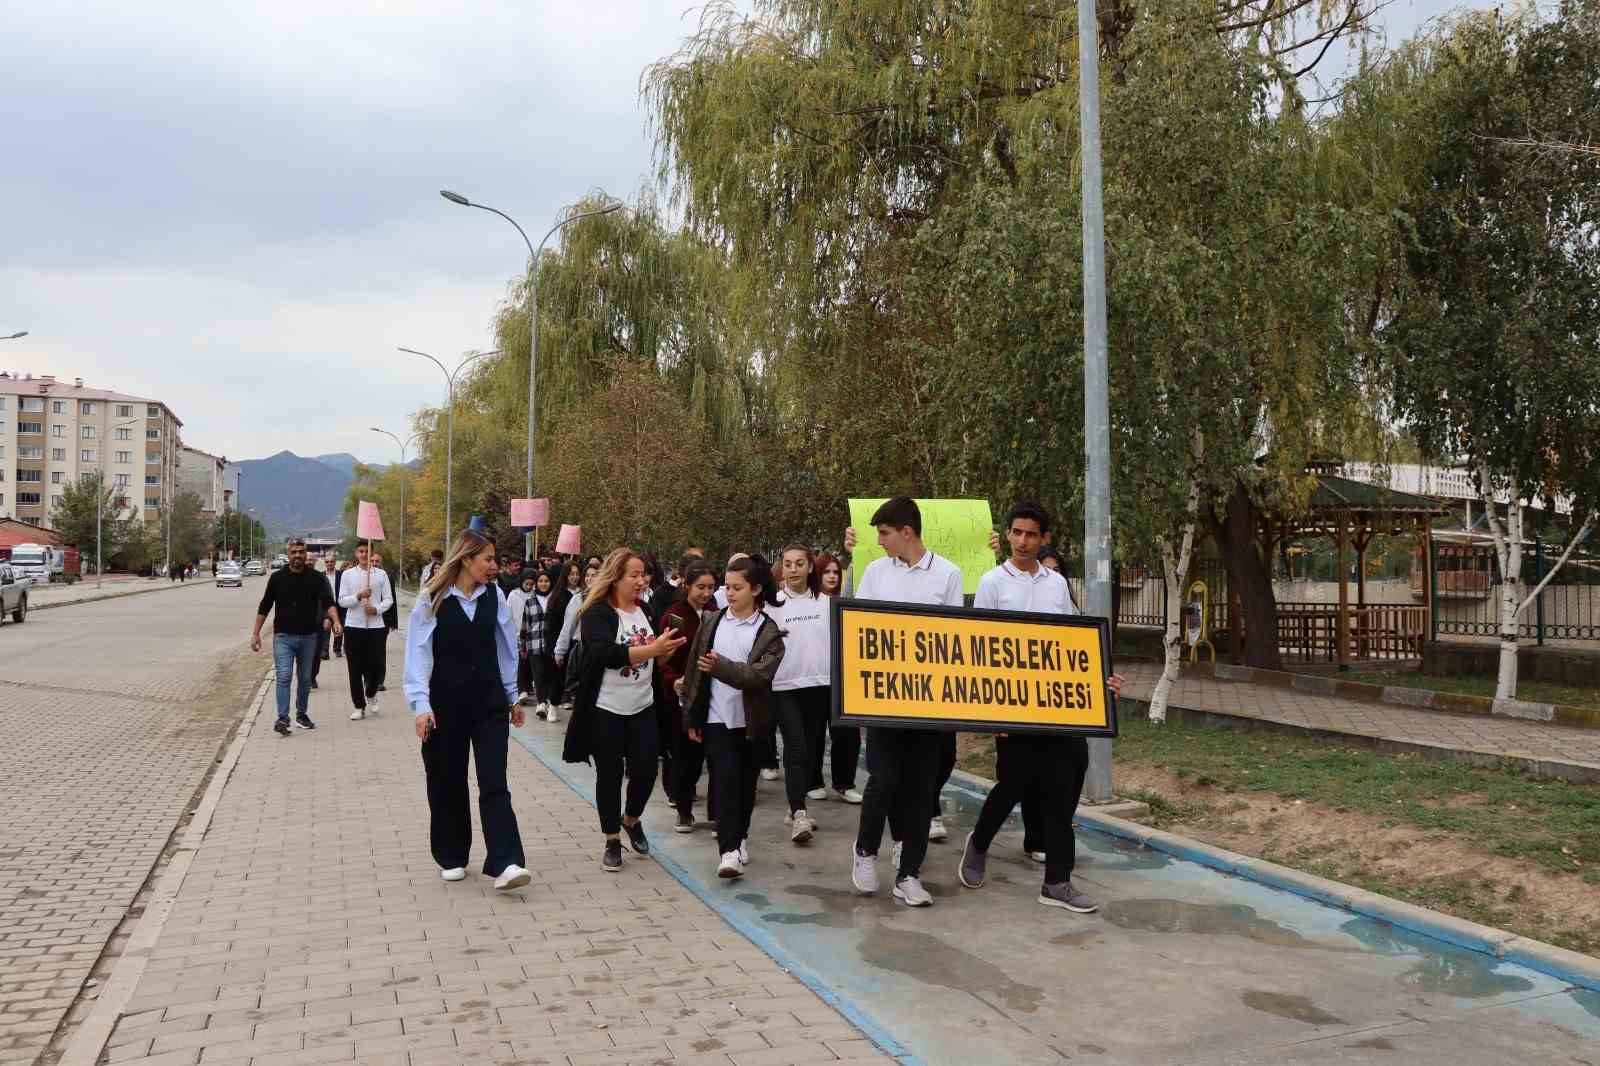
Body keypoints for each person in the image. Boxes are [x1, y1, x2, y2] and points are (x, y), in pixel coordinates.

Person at [960, 503, 1125, 913]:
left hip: (1058, 709)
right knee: (1014, 784)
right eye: (1016, 533)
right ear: (1008, 534)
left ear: (1043, 539)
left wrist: (1100, 680)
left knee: (1065, 781)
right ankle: (979, 844)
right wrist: (989, 712)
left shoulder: (1056, 584)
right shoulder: (993, 582)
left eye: (1031, 534)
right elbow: (978, 648)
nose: (1022, 541)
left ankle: (1057, 882)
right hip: (1012, 707)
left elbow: (1074, 641)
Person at [845, 497, 963, 907]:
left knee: (921, 789)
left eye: (884, 533)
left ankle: (909, 874)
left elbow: (954, 638)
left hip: (929, 703)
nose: (878, 541)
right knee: (882, 781)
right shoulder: (875, 573)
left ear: (906, 532)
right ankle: (864, 852)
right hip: (883, 698)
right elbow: (857, 626)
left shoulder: (948, 573)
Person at [403, 529, 531, 891]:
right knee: (447, 779)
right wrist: (420, 706)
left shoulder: (497, 597)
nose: (494, 566)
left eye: (494, 560)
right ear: (466, 559)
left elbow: (507, 650)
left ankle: (506, 861)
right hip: (445, 705)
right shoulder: (432, 599)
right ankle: (452, 854)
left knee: (494, 782)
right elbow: (417, 655)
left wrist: (512, 697)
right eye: (488, 559)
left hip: (489, 704)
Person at [562, 549, 685, 872]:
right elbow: (606, 654)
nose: (641, 580)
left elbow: (651, 656)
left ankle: (631, 819)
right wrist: (653, 649)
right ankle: (612, 839)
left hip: (643, 705)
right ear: (615, 577)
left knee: (646, 769)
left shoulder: (644, 608)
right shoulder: (596, 613)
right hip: (606, 708)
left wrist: (663, 653)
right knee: (610, 775)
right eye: (633, 574)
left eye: (643, 574)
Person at [680, 555, 786, 879]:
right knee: (723, 781)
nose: (730, 593)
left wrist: (721, 666)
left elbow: (757, 676)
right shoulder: (712, 622)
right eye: (727, 587)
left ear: (755, 589)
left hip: (752, 722)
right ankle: (727, 851)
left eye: (737, 587)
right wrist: (691, 714)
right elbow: (694, 671)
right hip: (716, 719)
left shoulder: (770, 633)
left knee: (744, 786)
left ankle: (740, 837)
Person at [769, 543, 831, 843]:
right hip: (784, 687)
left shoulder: (827, 603)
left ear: (810, 567)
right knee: (796, 748)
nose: (793, 569)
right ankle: (800, 813)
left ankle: (795, 803)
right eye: (788, 564)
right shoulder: (773, 604)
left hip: (819, 685)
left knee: (812, 748)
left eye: (799, 564)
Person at [250, 538, 342, 736]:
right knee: (283, 676)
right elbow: (265, 606)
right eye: (294, 552)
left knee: (305, 678)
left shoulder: (316, 578)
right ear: (288, 554)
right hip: (283, 637)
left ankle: (301, 714)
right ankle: (282, 718)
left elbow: (328, 602)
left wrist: (336, 621)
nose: (298, 555)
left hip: (309, 637)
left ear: (306, 553)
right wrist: (256, 634)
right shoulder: (277, 578)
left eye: (301, 551)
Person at [658, 561, 716, 832]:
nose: (706, 593)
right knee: (685, 756)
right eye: (700, 587)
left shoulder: (718, 612)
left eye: (711, 588)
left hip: (714, 694)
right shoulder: (674, 617)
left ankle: (717, 812)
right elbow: (662, 659)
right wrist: (674, 681)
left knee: (714, 755)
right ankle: (683, 809)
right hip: (682, 697)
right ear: (686, 586)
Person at [812, 552, 862, 802]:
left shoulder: (847, 600)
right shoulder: (810, 602)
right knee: (815, 730)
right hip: (817, 675)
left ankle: (844, 782)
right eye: (826, 572)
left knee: (847, 733)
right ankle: (813, 781)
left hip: (844, 676)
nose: (832, 576)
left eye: (835, 572)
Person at [339, 543, 395, 721]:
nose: (364, 554)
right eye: (361, 551)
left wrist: (377, 609)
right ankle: (359, 705)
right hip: (354, 626)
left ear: (372, 554)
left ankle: (371, 693)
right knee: (355, 668)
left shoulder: (381, 574)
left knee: (376, 666)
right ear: (356, 553)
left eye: (367, 551)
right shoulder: (348, 575)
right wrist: (358, 596)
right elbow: (341, 600)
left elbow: (389, 599)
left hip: (376, 627)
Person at [372, 550, 399, 691]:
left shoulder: (387, 577)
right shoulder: (363, 577)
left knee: (380, 651)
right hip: (366, 621)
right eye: (372, 561)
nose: (374, 563)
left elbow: (392, 600)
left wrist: (394, 622)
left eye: (377, 561)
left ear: (381, 563)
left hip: (383, 621)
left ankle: (379, 681)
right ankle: (368, 679)